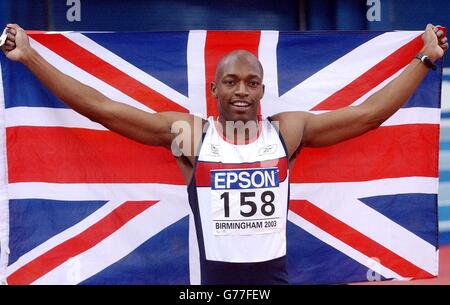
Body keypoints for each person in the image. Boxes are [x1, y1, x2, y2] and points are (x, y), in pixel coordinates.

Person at [1, 24, 448, 285]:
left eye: (250, 82)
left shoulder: (287, 132)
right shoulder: (192, 136)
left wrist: (425, 59)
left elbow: (369, 115)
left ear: (262, 89)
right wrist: (31, 57)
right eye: (230, 81)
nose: (240, 90)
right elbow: (102, 109)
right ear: (213, 89)